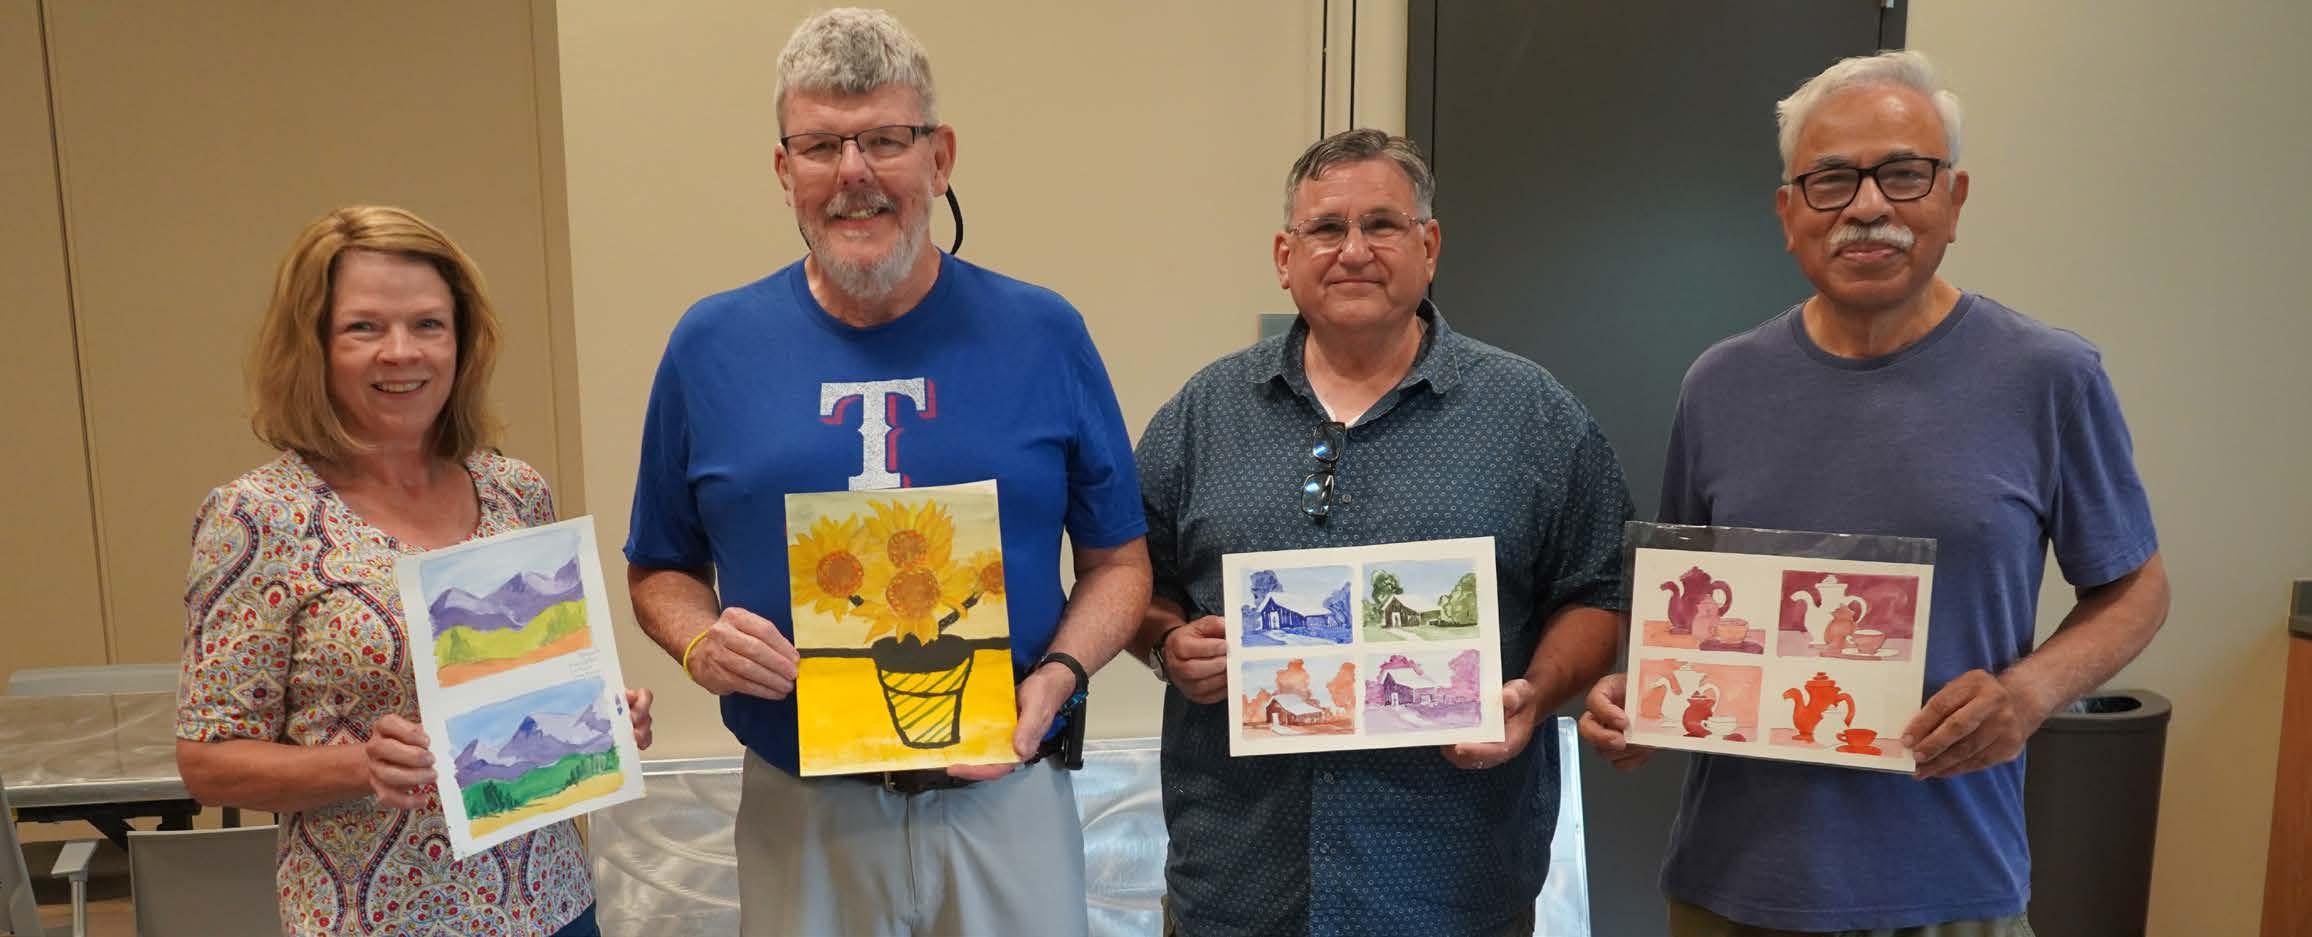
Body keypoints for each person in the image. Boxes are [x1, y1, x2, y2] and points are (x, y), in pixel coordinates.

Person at [1578, 50, 2169, 936]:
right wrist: (1638, 697)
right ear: (1789, 214)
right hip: (1733, 887)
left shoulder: (2050, 377)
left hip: (1952, 884)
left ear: (1953, 200)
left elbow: (2138, 588)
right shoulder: (1719, 386)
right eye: (1831, 180)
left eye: (1902, 173)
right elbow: (1684, 610)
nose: (1866, 206)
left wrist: (2030, 693)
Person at [621, 9, 1151, 936]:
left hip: (1007, 799)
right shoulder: (710, 345)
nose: (853, 172)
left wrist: (1060, 675)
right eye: (820, 145)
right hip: (801, 813)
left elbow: (1120, 564)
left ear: (940, 158)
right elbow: (659, 566)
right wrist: (700, 642)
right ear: (784, 170)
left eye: (885, 140)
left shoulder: (1044, 333)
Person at [1131, 128, 1635, 936]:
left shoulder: (1532, 414)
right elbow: (1128, 574)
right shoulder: (1202, 416)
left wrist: (1536, 694)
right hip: (1239, 884)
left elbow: (1598, 589)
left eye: (1382, 225)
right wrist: (1166, 642)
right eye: (1327, 228)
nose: (1354, 250)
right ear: (1285, 256)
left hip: (1453, 889)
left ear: (1429, 247)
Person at [176, 204, 655, 937]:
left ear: (462, 341)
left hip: (551, 903)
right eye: (364, 327)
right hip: (377, 918)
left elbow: (532, 688)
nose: (401, 352)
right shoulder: (258, 517)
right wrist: (359, 765)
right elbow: (207, 762)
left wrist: (600, 719)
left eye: (428, 324)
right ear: (313, 346)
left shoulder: (514, 490)